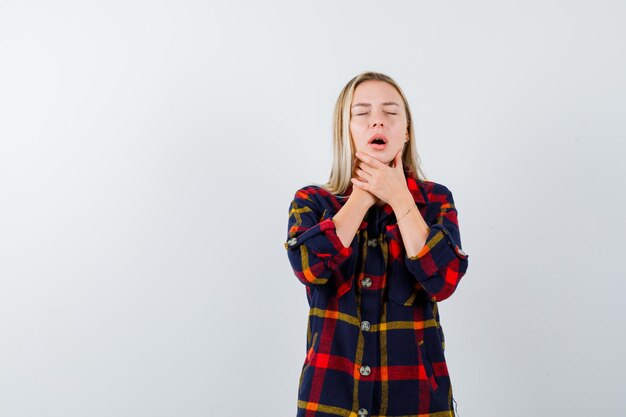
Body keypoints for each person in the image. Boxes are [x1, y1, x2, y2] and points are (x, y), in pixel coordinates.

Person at [284, 71, 469, 417]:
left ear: (406, 131)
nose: (377, 121)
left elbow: (444, 281)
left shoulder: (434, 201)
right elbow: (310, 267)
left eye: (390, 112)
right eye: (362, 113)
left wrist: (400, 199)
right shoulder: (312, 202)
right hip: (330, 399)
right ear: (345, 129)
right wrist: (363, 195)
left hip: (418, 402)